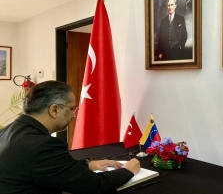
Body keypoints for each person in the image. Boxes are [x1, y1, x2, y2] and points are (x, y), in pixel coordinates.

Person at [0, 80, 140, 194]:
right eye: (72, 109)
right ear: (54, 110)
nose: (74, 115)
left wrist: (87, 164)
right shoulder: (43, 146)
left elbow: (45, 167)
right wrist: (127, 171)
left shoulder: (10, 130)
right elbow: (94, 185)